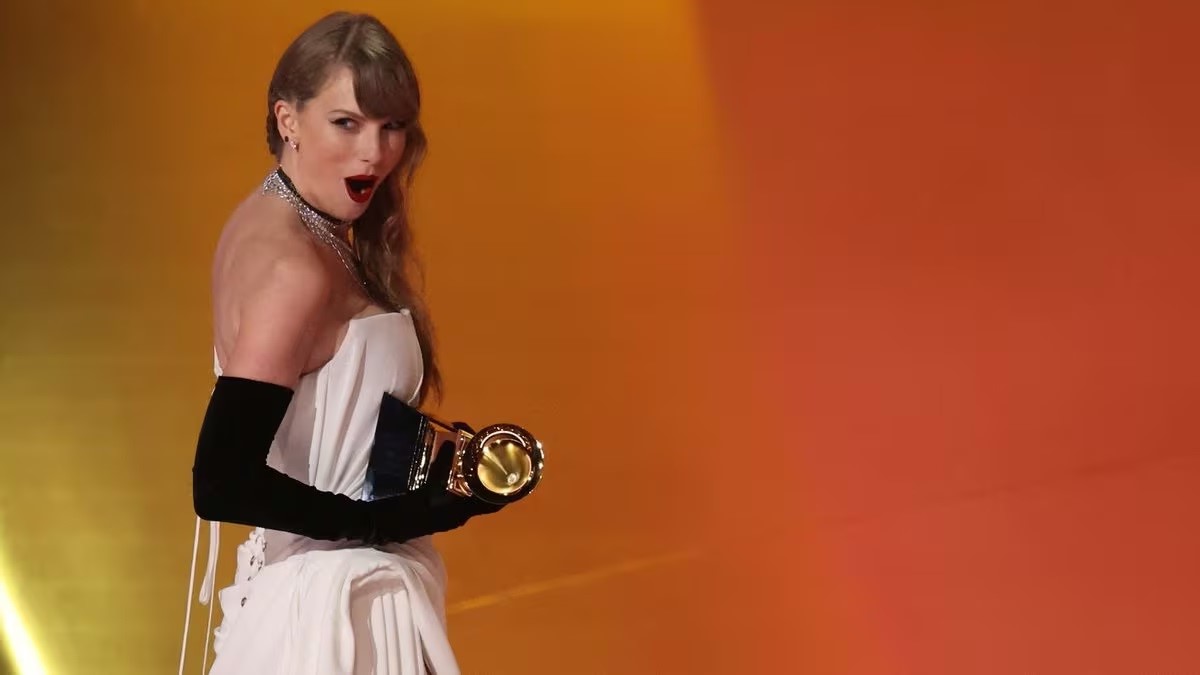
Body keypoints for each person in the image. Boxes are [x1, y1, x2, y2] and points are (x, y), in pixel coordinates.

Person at [177, 12, 502, 675]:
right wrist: (386, 522)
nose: (374, 153)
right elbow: (221, 480)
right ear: (288, 119)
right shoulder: (292, 266)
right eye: (346, 123)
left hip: (331, 598)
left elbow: (329, 419)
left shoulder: (289, 226)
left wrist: (440, 471)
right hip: (334, 620)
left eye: (391, 126)